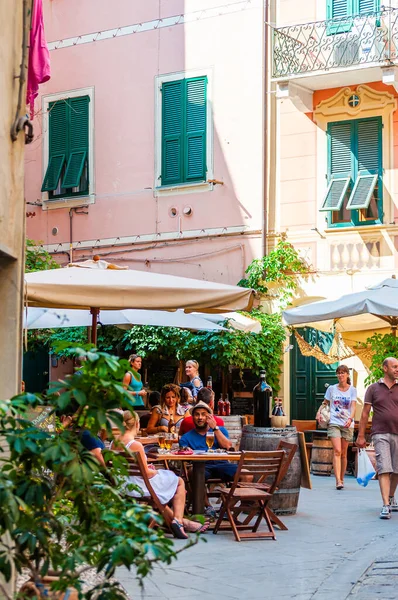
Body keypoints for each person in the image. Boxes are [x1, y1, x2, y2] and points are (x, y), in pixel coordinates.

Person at [111, 410, 209, 539]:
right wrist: (155, 471)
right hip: (138, 486)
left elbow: (130, 468)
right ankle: (179, 521)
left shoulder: (113, 443)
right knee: (178, 481)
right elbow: (146, 473)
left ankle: (183, 522)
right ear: (137, 424)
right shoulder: (135, 445)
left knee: (161, 494)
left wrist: (146, 468)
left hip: (123, 485)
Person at [357, 357, 398, 519]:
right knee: (384, 467)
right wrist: (361, 435)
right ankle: (385, 505)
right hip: (380, 433)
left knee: (396, 470)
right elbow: (365, 413)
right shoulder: (373, 389)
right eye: (394, 366)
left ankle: (390, 497)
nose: (397, 369)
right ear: (385, 368)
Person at [317, 365, 357, 490]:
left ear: (347, 375)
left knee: (344, 453)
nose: (340, 375)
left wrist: (350, 418)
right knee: (337, 451)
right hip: (334, 422)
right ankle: (337, 481)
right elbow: (325, 403)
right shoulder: (331, 389)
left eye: (343, 373)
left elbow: (354, 406)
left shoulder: (352, 390)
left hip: (347, 424)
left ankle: (342, 478)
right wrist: (319, 412)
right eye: (339, 373)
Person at [179, 401, 237, 482]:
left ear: (209, 417)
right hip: (201, 466)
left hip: (222, 464)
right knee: (195, 473)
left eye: (203, 414)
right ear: (192, 417)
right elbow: (183, 451)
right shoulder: (186, 437)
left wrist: (215, 428)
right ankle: (200, 495)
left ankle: (231, 494)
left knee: (247, 475)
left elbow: (228, 446)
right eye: (197, 414)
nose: (200, 417)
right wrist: (186, 450)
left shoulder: (220, 430)